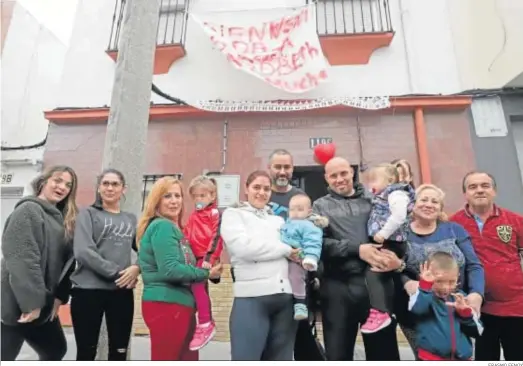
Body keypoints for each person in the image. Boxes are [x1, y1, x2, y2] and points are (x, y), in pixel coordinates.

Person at [312, 157, 403, 361]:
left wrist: (396, 258)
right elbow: (318, 243)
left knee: (384, 355)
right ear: (326, 178)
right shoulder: (319, 206)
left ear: (352, 172)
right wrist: (357, 249)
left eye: (343, 173)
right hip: (338, 289)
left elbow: (398, 230)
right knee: (338, 355)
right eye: (333, 175)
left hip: (376, 287)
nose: (340, 179)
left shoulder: (376, 199)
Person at [137, 176, 222, 361]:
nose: (174, 201)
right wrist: (206, 273)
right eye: (167, 196)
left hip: (181, 305)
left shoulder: (180, 229)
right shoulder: (162, 226)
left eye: (178, 195)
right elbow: (171, 269)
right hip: (166, 304)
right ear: (156, 200)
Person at [396, 183, 485, 357]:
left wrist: (476, 294)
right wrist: (406, 283)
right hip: (419, 312)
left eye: (435, 202)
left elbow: (474, 265)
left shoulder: (454, 230)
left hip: (456, 308)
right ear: (412, 204)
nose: (429, 204)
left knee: (460, 353)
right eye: (424, 200)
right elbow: (392, 268)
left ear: (440, 208)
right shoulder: (400, 233)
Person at [220, 170, 301, 361]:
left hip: (285, 298)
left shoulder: (278, 220)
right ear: (246, 189)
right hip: (251, 298)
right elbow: (244, 248)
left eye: (266, 189)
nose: (262, 193)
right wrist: (284, 249)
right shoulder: (233, 214)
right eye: (256, 187)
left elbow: (296, 248)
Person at [1, 165, 79, 361]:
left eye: (68, 185)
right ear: (43, 182)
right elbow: (23, 259)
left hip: (43, 302)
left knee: (55, 350)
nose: (62, 187)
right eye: (58, 180)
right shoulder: (29, 210)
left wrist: (59, 296)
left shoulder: (61, 219)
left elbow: (65, 263)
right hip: (16, 301)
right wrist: (32, 303)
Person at [450, 171, 523, 361]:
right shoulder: (453, 224)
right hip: (478, 308)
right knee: (485, 358)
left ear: (494, 191)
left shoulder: (515, 221)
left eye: (485, 185)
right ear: (465, 194)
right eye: (473, 187)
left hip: (516, 307)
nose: (480, 190)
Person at [70, 168, 140, 361]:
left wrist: (137, 268)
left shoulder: (131, 219)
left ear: (123, 189)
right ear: (99, 188)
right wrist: (120, 273)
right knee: (86, 352)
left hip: (121, 293)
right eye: (105, 184)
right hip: (88, 291)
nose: (110, 188)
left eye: (115, 184)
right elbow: (84, 252)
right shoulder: (87, 214)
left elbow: (145, 249)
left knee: (119, 351)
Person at [361, 163, 415, 334]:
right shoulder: (385, 194)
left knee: (373, 272)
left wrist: (383, 234)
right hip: (388, 240)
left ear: (390, 180)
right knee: (378, 274)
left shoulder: (396, 193)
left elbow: (399, 216)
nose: (371, 184)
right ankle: (381, 310)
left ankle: (380, 311)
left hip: (392, 241)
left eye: (375, 180)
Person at [409, 252, 482, 361]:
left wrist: (465, 313)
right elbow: (417, 309)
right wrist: (424, 287)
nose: (445, 287)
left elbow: (478, 331)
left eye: (452, 281)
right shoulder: (422, 296)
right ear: (426, 276)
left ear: (458, 278)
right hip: (431, 358)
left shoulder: (461, 298)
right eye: (439, 281)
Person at [183, 175, 224, 351]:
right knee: (199, 290)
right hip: (194, 258)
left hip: (206, 258)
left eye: (203, 195)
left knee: (197, 287)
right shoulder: (194, 216)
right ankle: (204, 320)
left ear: (212, 196)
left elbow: (217, 238)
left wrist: (209, 258)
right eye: (196, 196)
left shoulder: (215, 214)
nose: (199, 199)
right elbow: (186, 235)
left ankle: (206, 322)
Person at [280, 193, 327, 320]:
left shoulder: (309, 225)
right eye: (292, 209)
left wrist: (310, 258)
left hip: (299, 257)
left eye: (300, 209)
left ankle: (300, 303)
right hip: (284, 256)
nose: (295, 212)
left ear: (309, 211)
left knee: (296, 276)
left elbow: (313, 242)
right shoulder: (287, 223)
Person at [267, 149, 304, 219]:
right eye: (278, 167)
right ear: (269, 168)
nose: (282, 172)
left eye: (287, 167)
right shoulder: (262, 194)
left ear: (292, 168)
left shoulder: (300, 196)